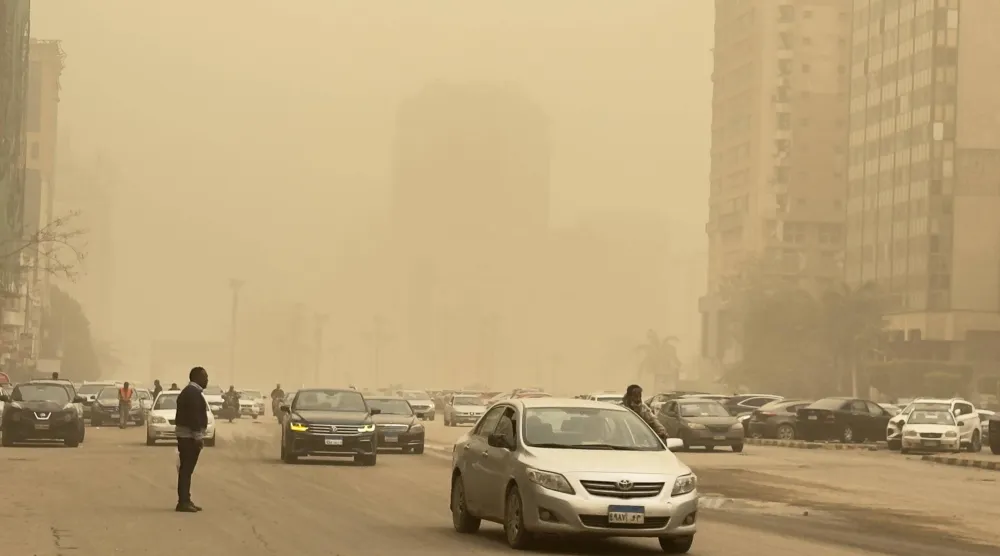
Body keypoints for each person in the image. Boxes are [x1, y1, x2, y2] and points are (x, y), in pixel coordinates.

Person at [175, 366, 209, 513]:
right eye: (205, 376)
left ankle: (186, 500)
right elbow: (193, 417)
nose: (207, 379)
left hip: (188, 436)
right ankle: (183, 502)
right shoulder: (192, 393)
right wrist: (198, 436)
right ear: (196, 378)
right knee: (186, 470)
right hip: (188, 437)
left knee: (186, 470)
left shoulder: (191, 392)